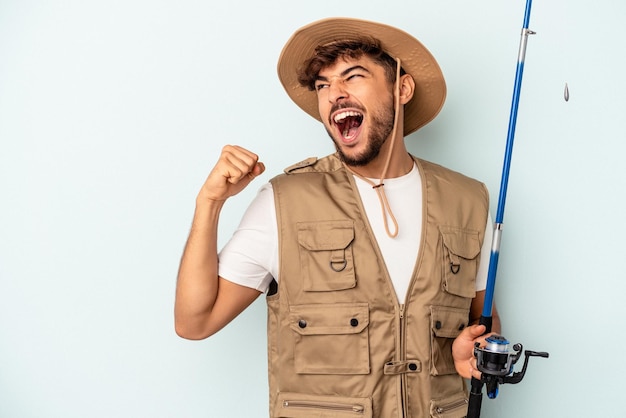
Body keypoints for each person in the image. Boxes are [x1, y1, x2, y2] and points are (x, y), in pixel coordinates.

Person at [175, 17, 501, 418]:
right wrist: (209, 203)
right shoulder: (285, 201)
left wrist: (475, 352)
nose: (334, 95)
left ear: (402, 88)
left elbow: (483, 323)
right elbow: (195, 321)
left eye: (353, 76)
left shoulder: (468, 201)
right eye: (323, 85)